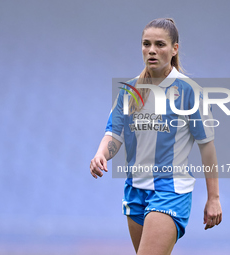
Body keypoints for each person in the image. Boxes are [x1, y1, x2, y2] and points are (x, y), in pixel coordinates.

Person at [90, 18, 222, 255]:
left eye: (160, 44)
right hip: (135, 190)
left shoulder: (190, 92)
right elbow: (114, 135)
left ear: (175, 49)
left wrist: (214, 198)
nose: (151, 50)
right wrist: (101, 154)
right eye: (146, 44)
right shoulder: (129, 91)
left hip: (171, 192)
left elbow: (207, 148)